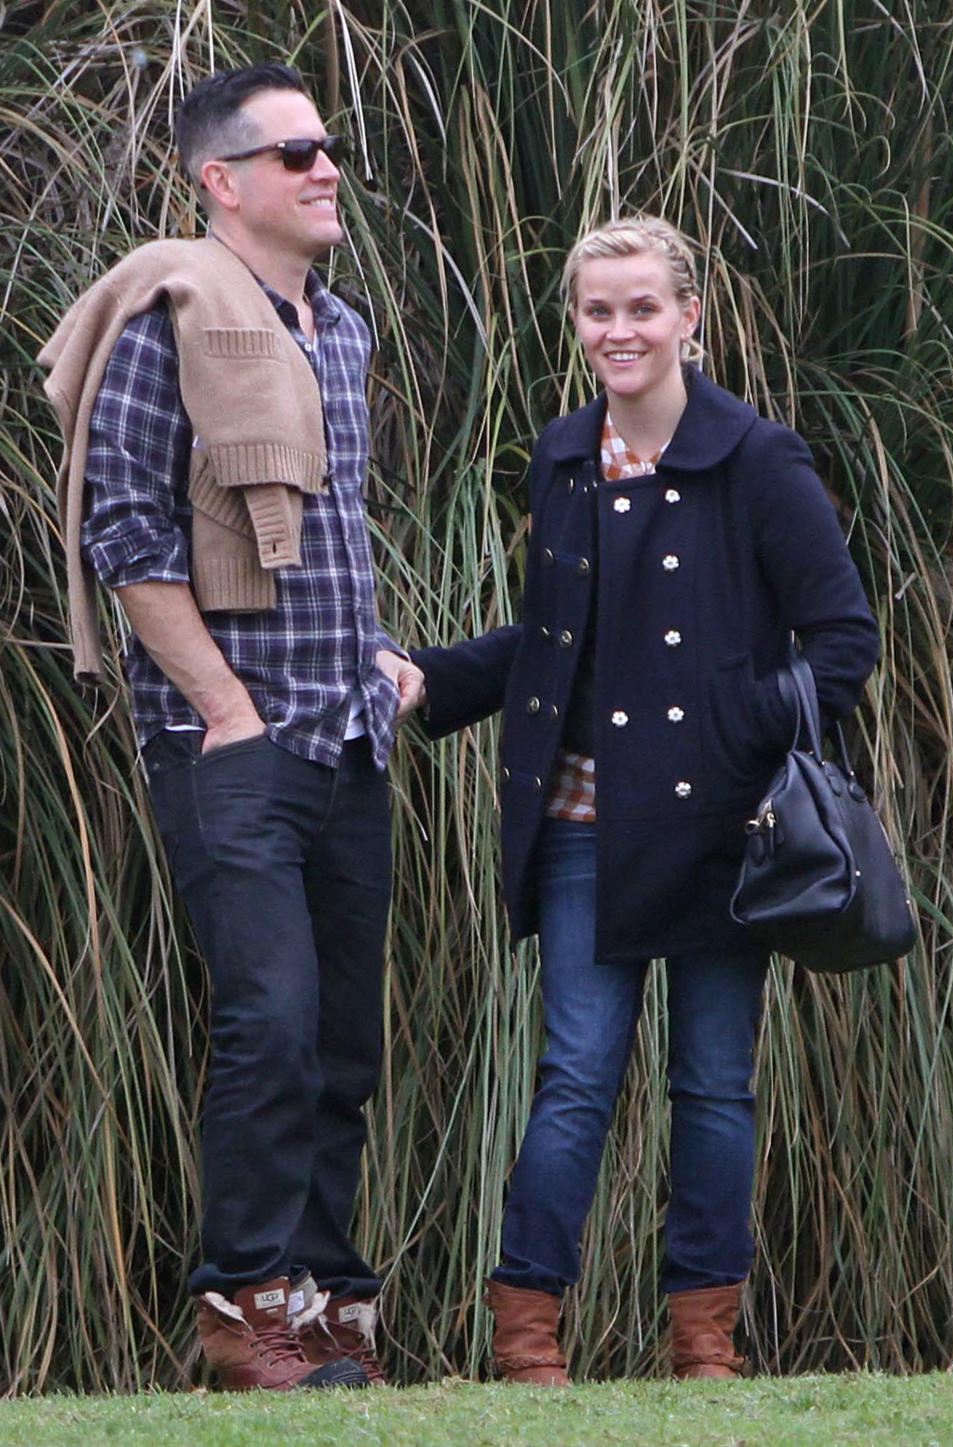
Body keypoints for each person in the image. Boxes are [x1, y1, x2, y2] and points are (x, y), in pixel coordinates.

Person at [412, 216, 879, 1382]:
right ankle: (528, 1343)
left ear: (689, 317)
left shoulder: (756, 456)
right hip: (583, 823)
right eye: (596, 310)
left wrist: (728, 730)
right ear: (576, 323)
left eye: (641, 308)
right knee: (575, 1076)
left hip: (727, 831)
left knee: (715, 1085)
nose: (619, 330)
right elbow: (561, 639)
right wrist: (433, 677)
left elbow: (843, 644)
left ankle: (703, 1343)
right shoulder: (565, 452)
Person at [40, 64, 424, 1392]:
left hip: (350, 737)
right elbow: (127, 536)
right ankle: (243, 1304)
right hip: (229, 744)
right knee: (269, 1013)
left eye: (331, 151)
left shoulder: (344, 329)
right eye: (299, 153)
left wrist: (375, 654)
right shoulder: (169, 315)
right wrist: (227, 708)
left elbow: (326, 536)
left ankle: (325, 1316)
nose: (330, 170)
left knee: (342, 1041)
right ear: (224, 182)